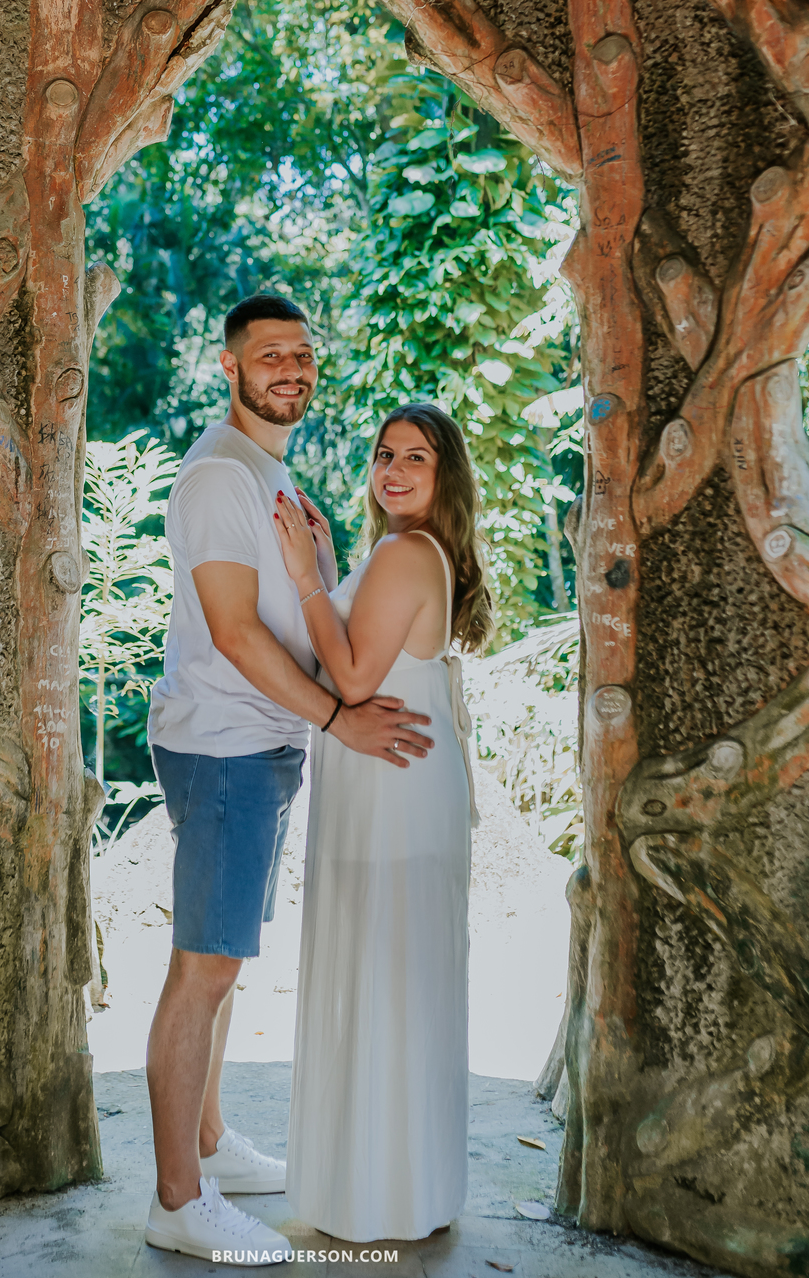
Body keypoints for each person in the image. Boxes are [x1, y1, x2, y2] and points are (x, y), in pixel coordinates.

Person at [143, 294, 435, 1262]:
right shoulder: (221, 475)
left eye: (303, 354)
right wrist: (336, 717)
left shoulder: (264, 467)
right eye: (270, 355)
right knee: (203, 969)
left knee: (223, 965)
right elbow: (232, 629)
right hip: (227, 744)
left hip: (255, 747)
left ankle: (213, 1146)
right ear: (229, 367)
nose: (291, 369)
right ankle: (179, 1201)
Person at [273, 402, 490, 1243]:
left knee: (383, 974)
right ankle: (402, 1186)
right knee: (398, 981)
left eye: (416, 459)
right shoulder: (402, 551)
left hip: (392, 798)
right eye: (384, 454)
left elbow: (355, 677)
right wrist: (329, 567)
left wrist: (302, 577)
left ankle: (373, 1194)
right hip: (399, 789)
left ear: (445, 479)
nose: (393, 470)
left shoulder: (405, 552)